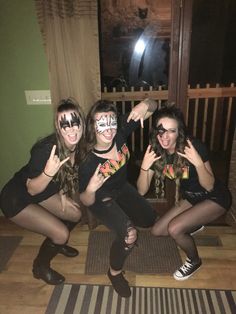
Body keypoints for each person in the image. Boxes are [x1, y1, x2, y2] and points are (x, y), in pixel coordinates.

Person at [137, 104, 232, 281]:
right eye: (161, 130)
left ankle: (194, 261)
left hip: (215, 198)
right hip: (192, 198)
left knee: (174, 229)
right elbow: (141, 191)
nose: (165, 136)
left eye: (171, 131)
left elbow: (209, 185)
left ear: (178, 132)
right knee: (157, 231)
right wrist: (144, 167)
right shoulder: (155, 152)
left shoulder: (192, 146)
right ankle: (194, 223)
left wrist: (197, 163)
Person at [0, 98, 85, 285]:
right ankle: (40, 266)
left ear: (81, 123)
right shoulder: (46, 149)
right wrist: (48, 172)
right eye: (65, 124)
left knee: (75, 214)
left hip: (42, 192)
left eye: (74, 122)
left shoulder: (76, 147)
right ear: (58, 126)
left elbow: (65, 175)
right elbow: (31, 189)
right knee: (62, 233)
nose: (71, 129)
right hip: (17, 197)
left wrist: (62, 196)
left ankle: (57, 242)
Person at [79, 99, 158, 297]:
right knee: (129, 234)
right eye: (102, 123)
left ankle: (122, 225)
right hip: (100, 198)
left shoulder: (120, 130)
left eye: (112, 122)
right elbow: (86, 201)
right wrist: (90, 189)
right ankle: (114, 273)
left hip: (121, 188)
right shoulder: (87, 160)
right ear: (92, 126)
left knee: (149, 219)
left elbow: (153, 107)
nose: (109, 129)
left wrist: (146, 104)